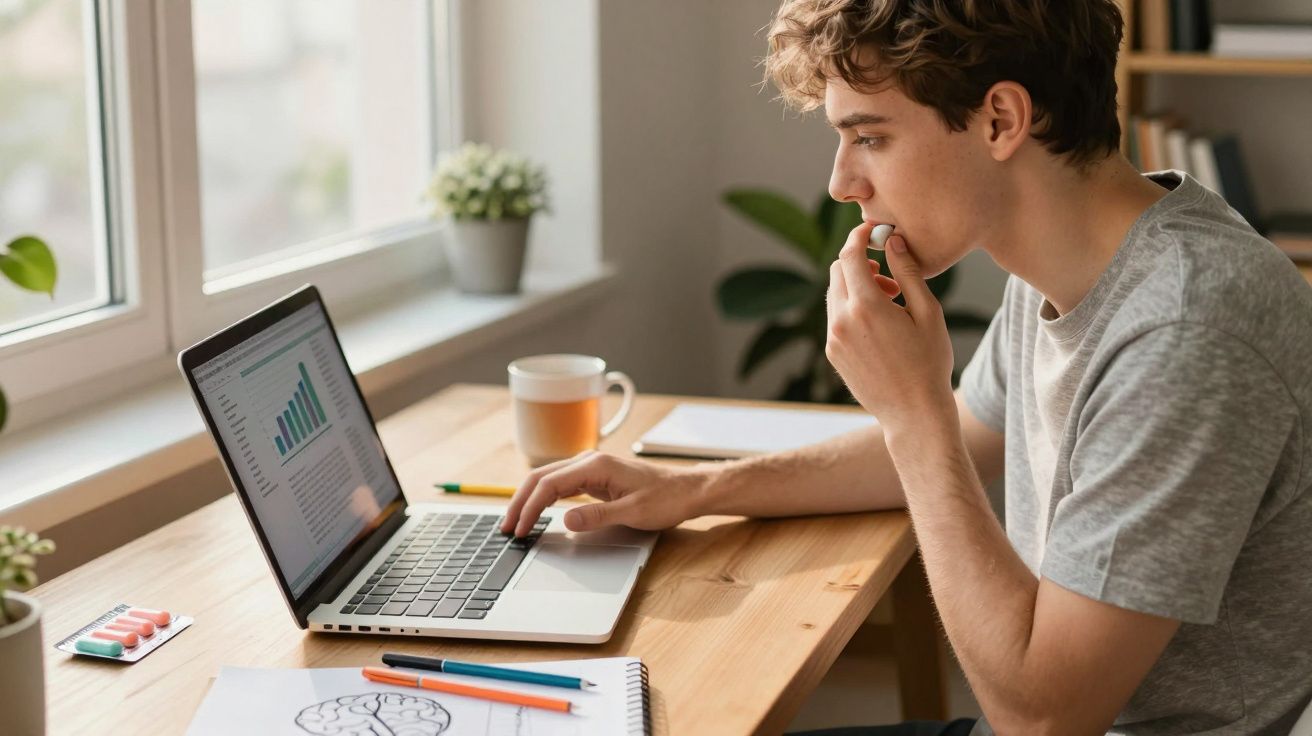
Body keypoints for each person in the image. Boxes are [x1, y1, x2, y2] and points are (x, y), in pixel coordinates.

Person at [501, 0, 1312, 733]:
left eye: (870, 137)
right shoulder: (1072, 264)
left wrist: (909, 409)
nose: (842, 183)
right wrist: (694, 490)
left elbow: (1044, 720)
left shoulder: (1186, 324)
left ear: (1000, 119)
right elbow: (970, 429)